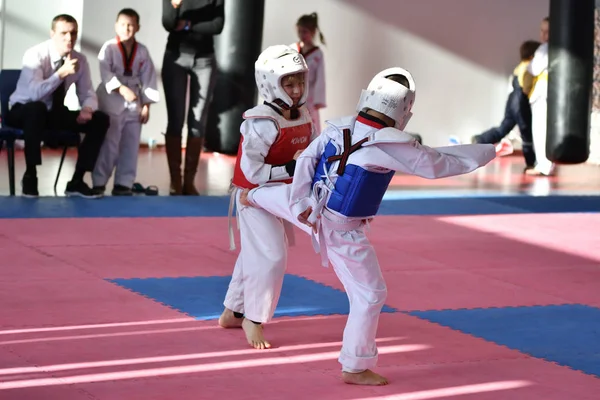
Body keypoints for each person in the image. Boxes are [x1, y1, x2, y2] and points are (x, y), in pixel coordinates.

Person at [239, 67, 496, 385]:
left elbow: (306, 159)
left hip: (311, 208)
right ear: (404, 108)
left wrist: (299, 199)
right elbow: (437, 163)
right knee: (370, 294)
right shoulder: (389, 145)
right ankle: (355, 365)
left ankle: (254, 196)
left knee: (276, 200)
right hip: (341, 229)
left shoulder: (339, 126)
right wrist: (489, 151)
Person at [218, 45, 317, 350]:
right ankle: (254, 318)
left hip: (283, 193)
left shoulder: (303, 114)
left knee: (254, 252)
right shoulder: (261, 121)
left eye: (300, 80)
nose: (297, 89)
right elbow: (254, 171)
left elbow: (310, 150)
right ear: (270, 83)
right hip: (253, 196)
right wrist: (293, 165)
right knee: (271, 255)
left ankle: (233, 311)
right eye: (289, 83)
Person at [7, 14, 109, 198]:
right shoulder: (35, 55)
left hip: (53, 113)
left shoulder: (80, 60)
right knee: (36, 109)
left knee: (100, 119)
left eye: (73, 33)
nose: (69, 38)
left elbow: (87, 93)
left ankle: (77, 181)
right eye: (63, 33)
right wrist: (60, 74)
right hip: (22, 110)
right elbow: (34, 94)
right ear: (52, 34)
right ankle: (31, 175)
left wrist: (87, 109)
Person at [92, 8, 159, 196]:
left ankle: (123, 183)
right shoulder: (109, 47)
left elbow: (149, 79)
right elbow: (105, 73)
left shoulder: (143, 51)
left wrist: (147, 105)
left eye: (131, 25)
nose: (127, 28)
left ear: (137, 27)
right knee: (109, 143)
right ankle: (99, 182)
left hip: (135, 99)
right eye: (123, 24)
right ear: (116, 26)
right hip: (112, 97)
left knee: (131, 143)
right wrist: (121, 88)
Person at [161, 0, 224, 195]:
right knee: (175, 119)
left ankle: (189, 181)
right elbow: (168, 23)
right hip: (176, 57)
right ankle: (175, 181)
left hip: (204, 59)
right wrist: (175, 7)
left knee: (198, 121)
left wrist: (187, 25)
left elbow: (217, 25)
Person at [471, 40, 541, 171]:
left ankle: (481, 140)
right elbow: (526, 88)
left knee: (504, 127)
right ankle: (531, 162)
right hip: (520, 100)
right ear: (532, 56)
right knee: (526, 132)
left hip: (512, 98)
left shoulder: (519, 66)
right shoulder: (529, 68)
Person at [527, 16, 554, 176]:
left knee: (540, 129)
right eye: (542, 31)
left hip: (543, 93)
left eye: (548, 31)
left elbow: (534, 69)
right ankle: (546, 163)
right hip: (549, 91)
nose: (544, 35)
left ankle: (543, 164)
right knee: (546, 129)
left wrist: (531, 63)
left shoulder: (544, 49)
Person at [292, 12, 326, 134]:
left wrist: (318, 100)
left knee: (310, 121)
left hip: (309, 94)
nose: (302, 35)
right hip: (293, 91)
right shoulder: (293, 49)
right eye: (299, 31)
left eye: (305, 31)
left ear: (312, 32)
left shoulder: (317, 53)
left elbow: (320, 77)